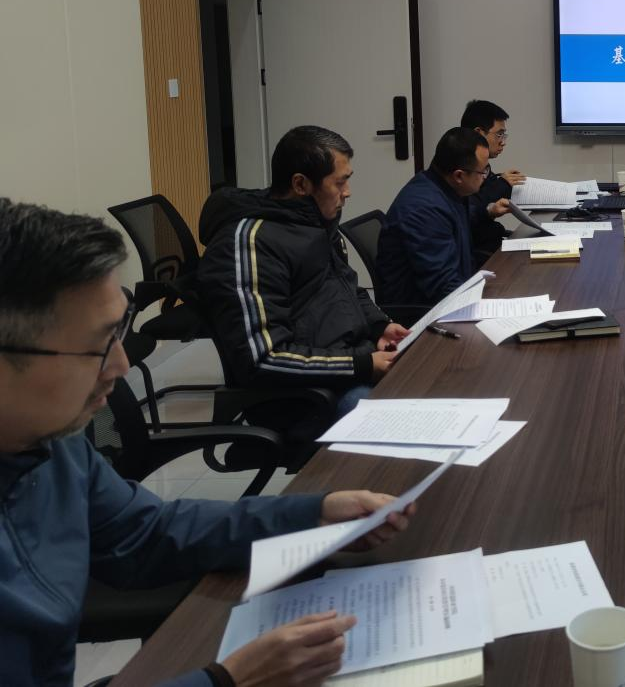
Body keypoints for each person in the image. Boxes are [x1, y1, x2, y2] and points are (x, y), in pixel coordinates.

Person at [0, 198, 416, 687]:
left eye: (120, 333)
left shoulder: (51, 444)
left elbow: (145, 533)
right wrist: (227, 681)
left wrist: (313, 515)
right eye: (97, 345)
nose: (122, 366)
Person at [197, 126, 407, 412]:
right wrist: (361, 365)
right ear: (300, 185)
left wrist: (379, 326)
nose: (347, 193)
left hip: (349, 363)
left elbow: (348, 288)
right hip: (308, 394)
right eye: (339, 183)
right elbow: (264, 358)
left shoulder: (315, 224)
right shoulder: (250, 243)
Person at [375, 128, 513, 308]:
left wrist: (488, 210)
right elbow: (443, 287)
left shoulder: (444, 188)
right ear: (459, 175)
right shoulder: (424, 210)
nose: (485, 177)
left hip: (456, 289)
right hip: (424, 312)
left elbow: (457, 219)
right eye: (483, 171)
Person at [460, 100, 526, 261]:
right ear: (478, 133)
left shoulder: (484, 167)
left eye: (504, 135)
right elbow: (469, 211)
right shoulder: (460, 168)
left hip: (492, 243)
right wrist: (501, 184)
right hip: (476, 256)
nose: (503, 142)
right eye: (499, 134)